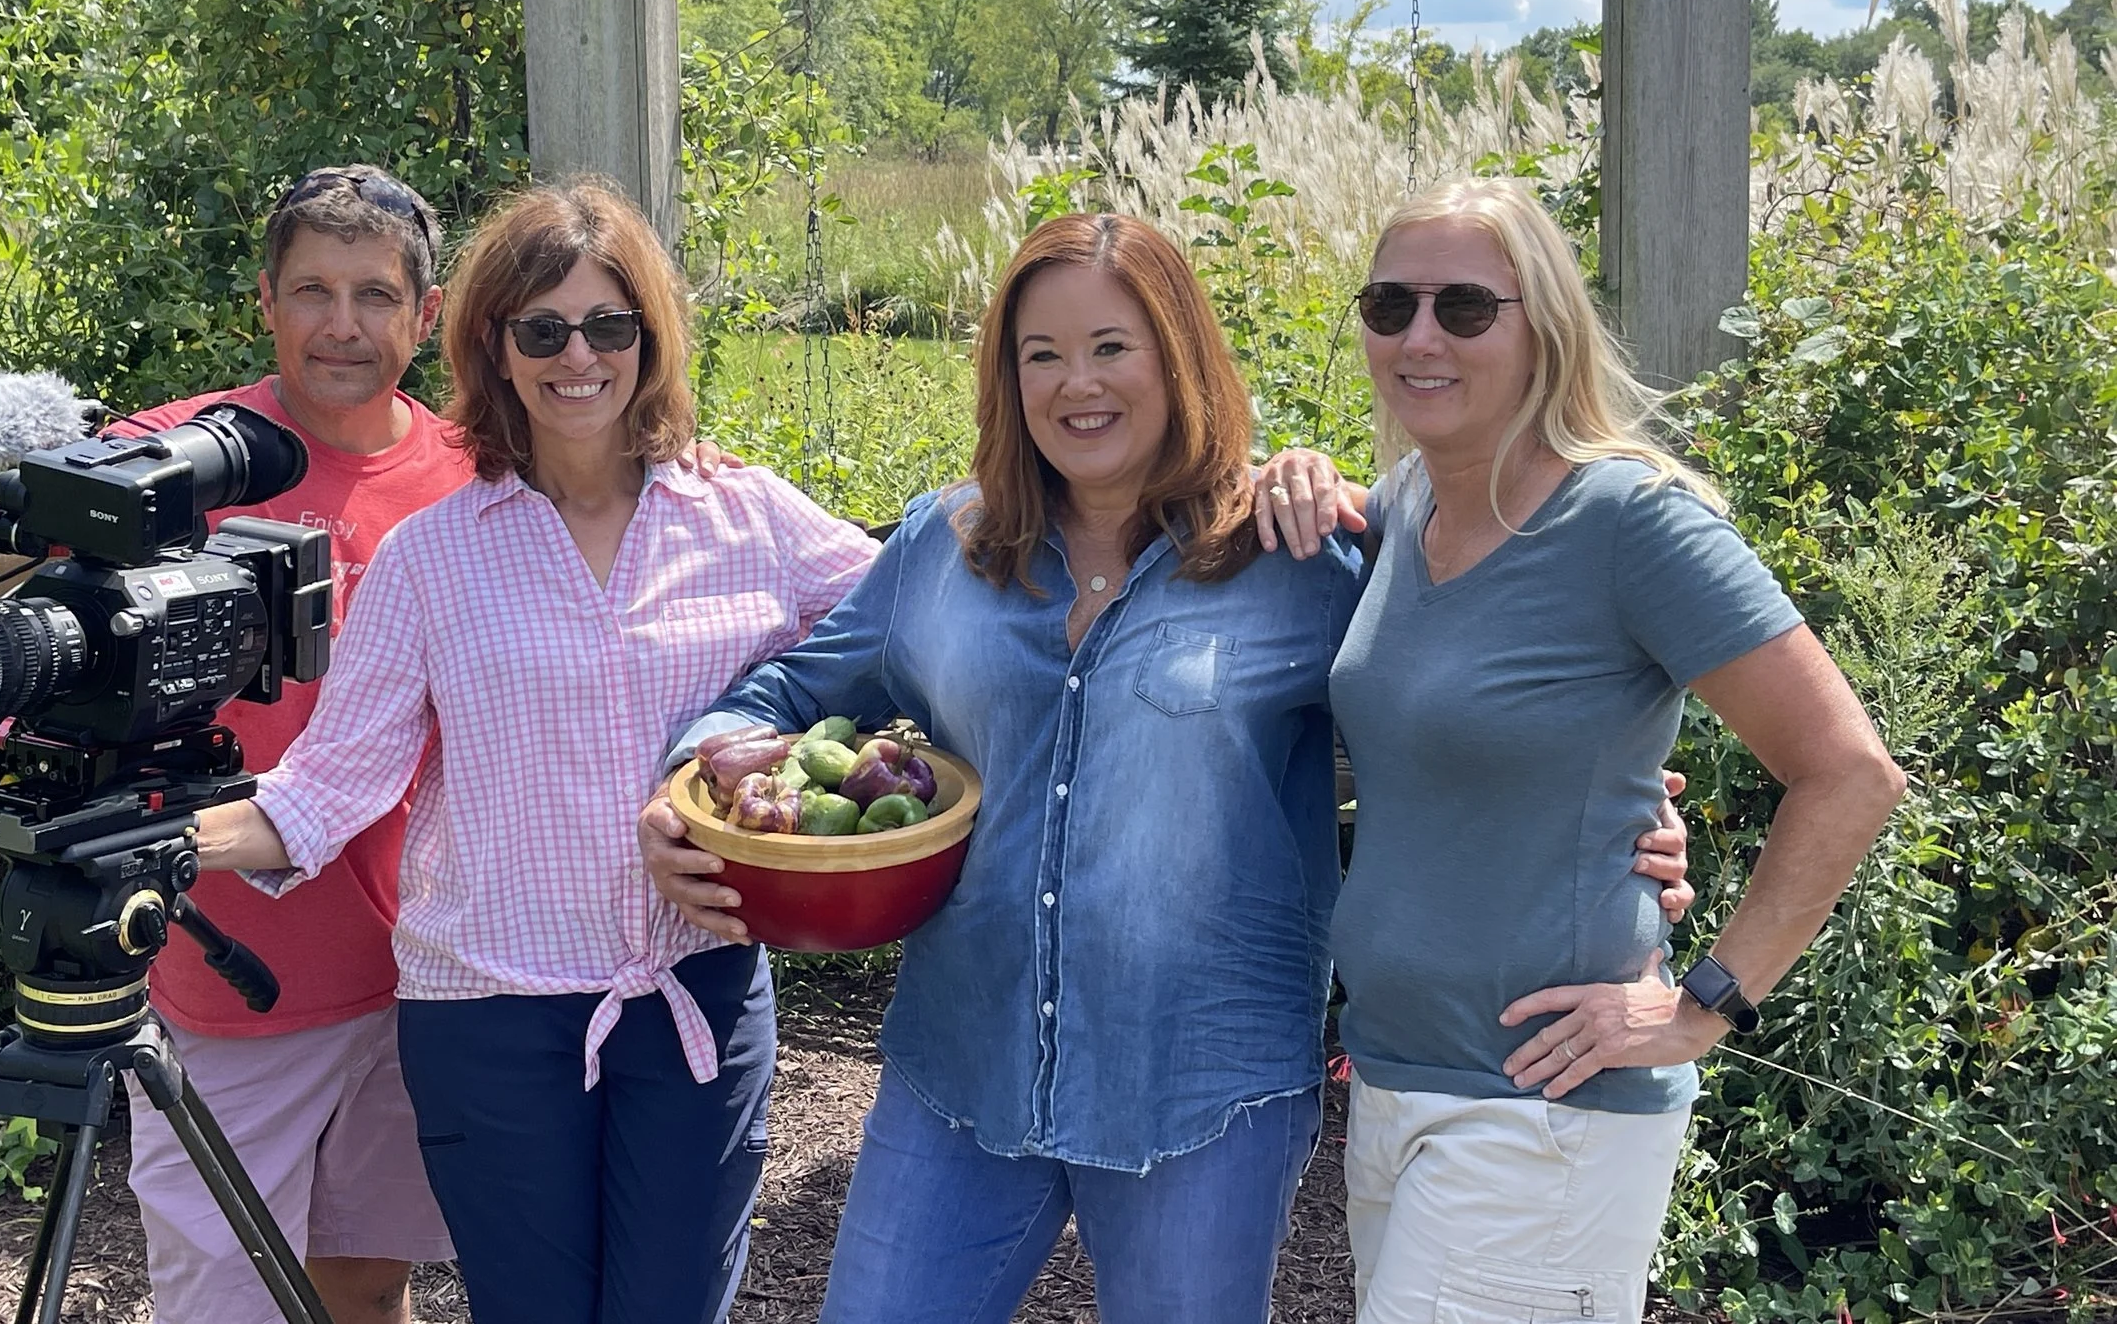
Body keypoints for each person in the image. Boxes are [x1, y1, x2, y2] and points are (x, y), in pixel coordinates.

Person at [637, 212, 1696, 1324]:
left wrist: (1605, 827)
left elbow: (1479, 716)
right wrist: (687, 784)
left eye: (1110, 346)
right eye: (1038, 354)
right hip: (959, 1071)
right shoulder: (939, 550)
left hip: (1203, 1095)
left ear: (1177, 354)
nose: (1074, 384)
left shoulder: (1302, 558)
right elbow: (787, 695)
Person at [191, 176, 882, 1324]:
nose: (579, 356)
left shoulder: (745, 516)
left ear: (649, 339)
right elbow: (327, 785)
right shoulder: (433, 557)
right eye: (543, 328)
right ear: (492, 345)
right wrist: (157, 841)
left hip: (695, 991)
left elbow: (906, 620)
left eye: (610, 324)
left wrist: (787, 750)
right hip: (489, 1017)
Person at [1324, 179, 1905, 1323]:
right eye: (1389, 304)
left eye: (1465, 308)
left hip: (1546, 1108)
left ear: (1543, 324)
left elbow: (1849, 772)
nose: (1418, 336)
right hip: (1393, 1077)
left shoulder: (1631, 520)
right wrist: (1293, 474)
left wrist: (1702, 1004)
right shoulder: (1403, 508)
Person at [111, 164, 467, 1324]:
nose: (343, 324)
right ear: (265, 301)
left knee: (365, 1285)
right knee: (223, 1300)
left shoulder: (478, 474)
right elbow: (42, 606)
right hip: (235, 978)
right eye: (313, 289)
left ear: (425, 314)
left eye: (375, 293)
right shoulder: (176, 460)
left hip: (425, 966)